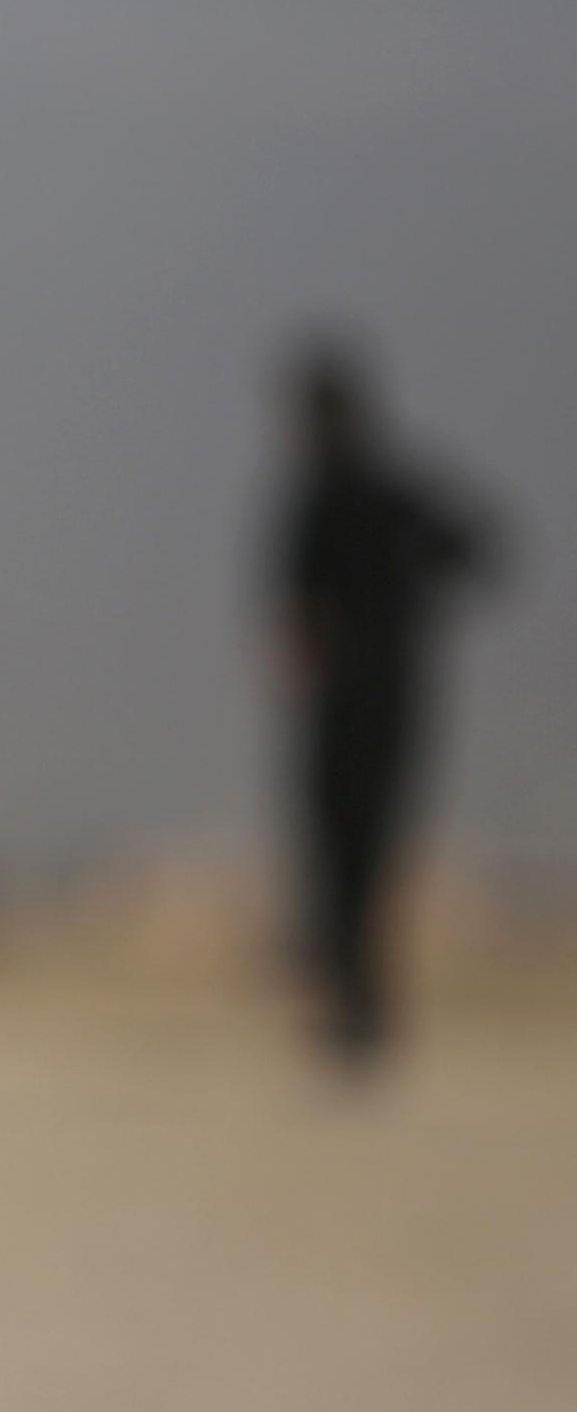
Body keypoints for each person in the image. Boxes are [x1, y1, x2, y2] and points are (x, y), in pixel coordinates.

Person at [267, 340, 500, 1070]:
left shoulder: (333, 494)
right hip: (391, 688)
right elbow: (475, 547)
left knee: (345, 852)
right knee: (364, 855)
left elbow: (293, 612)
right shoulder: (391, 490)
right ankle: (359, 1007)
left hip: (353, 694)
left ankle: (355, 1008)